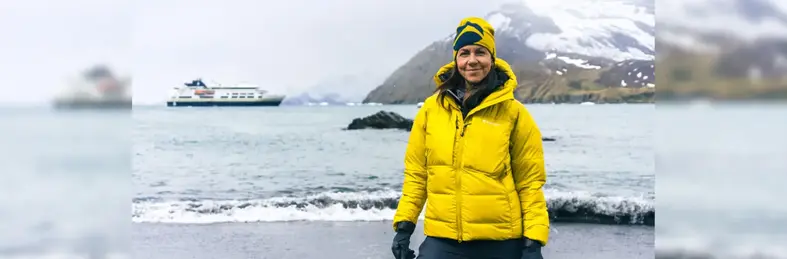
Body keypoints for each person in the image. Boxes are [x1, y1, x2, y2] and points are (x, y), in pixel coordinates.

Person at [390, 17, 549, 259]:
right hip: (443, 240)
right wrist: (404, 226)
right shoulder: (431, 110)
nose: (472, 60)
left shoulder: (514, 113)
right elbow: (417, 175)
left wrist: (534, 241)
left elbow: (529, 182)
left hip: (501, 240)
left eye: (480, 52)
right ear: (456, 60)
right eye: (464, 53)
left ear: (492, 59)